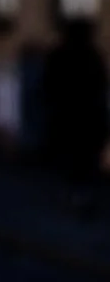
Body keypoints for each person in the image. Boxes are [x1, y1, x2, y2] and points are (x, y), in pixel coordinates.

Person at [43, 21, 109, 215]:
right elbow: (101, 85)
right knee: (83, 161)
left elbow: (49, 86)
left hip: (69, 118)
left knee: (72, 161)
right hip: (86, 118)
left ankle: (75, 198)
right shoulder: (91, 55)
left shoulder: (60, 55)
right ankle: (81, 198)